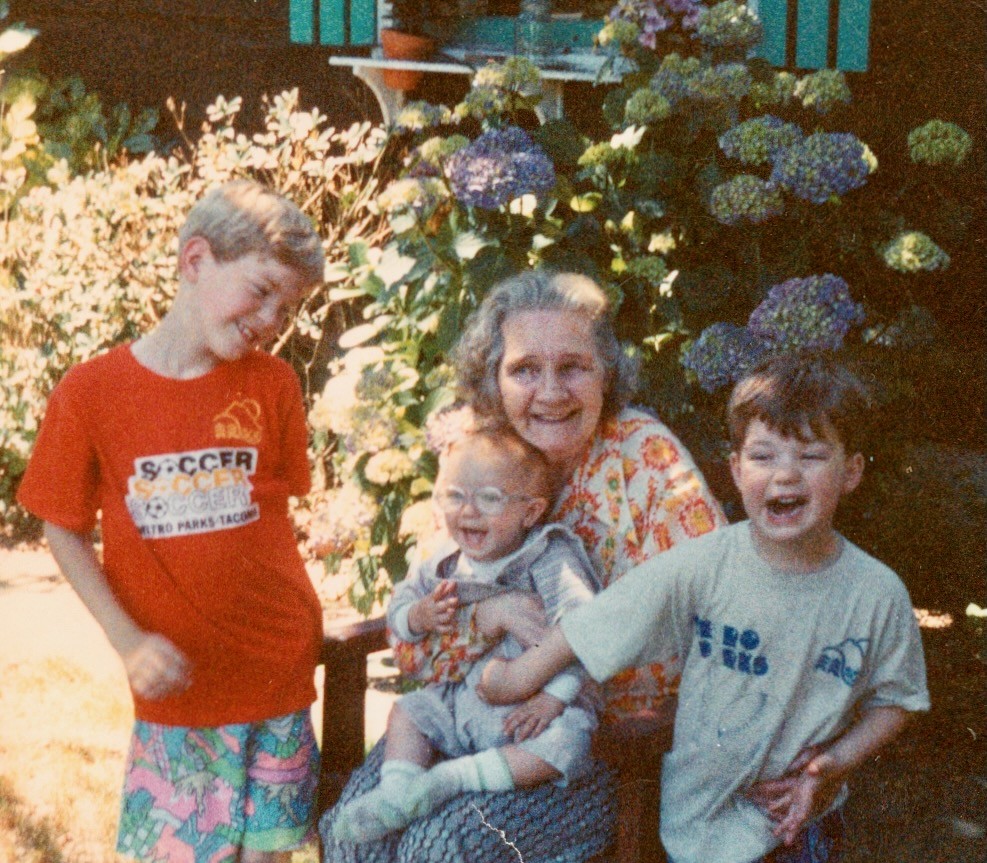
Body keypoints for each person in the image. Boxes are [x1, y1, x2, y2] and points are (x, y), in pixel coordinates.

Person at [320, 269, 726, 862]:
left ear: (605, 372)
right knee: (349, 835)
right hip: (461, 718)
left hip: (593, 749)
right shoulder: (483, 458)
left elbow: (713, 616)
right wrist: (488, 620)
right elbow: (419, 642)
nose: (551, 392)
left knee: (438, 849)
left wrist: (535, 676)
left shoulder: (644, 456)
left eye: (572, 367)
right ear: (494, 378)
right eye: (524, 369)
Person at [478, 353, 931, 863]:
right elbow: (602, 623)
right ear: (737, 470)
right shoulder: (703, 566)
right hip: (695, 824)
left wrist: (833, 763)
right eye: (764, 457)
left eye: (810, 456)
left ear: (850, 472)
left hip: (795, 820)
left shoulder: (876, 593)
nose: (785, 476)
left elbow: (899, 699)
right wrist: (515, 679)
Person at [16, 180, 327, 863]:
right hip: (179, 695)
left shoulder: (273, 384)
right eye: (262, 290)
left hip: (276, 673)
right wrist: (126, 639)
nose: (272, 319)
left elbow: (270, 518)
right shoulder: (91, 392)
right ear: (195, 261)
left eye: (288, 307)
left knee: (267, 857)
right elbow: (61, 527)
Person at [333, 426, 602, 844]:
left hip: (532, 707)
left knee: (566, 742)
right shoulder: (444, 561)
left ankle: (452, 778)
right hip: (459, 703)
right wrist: (419, 616)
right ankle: (395, 793)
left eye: (489, 499)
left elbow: (585, 629)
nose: (468, 512)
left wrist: (556, 696)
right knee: (409, 712)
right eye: (455, 496)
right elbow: (400, 612)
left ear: (530, 513)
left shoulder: (549, 556)